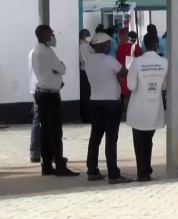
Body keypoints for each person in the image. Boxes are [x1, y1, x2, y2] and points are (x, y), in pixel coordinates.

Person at [83, 33, 132, 184]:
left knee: (95, 136)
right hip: (111, 102)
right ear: (102, 45)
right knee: (111, 139)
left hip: (95, 102)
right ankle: (113, 174)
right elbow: (123, 73)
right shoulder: (109, 60)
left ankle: (92, 171)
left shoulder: (88, 60)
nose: (110, 46)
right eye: (108, 44)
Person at [30, 25, 78, 176]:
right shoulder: (46, 51)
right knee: (55, 131)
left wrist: (55, 71)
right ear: (44, 36)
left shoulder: (36, 50)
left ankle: (47, 165)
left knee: (45, 131)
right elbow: (62, 69)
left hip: (42, 93)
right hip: (50, 96)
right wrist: (58, 68)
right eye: (51, 34)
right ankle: (59, 164)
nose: (53, 37)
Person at [127, 33, 168, 182]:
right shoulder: (164, 62)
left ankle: (142, 172)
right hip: (155, 108)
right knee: (148, 140)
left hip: (138, 108)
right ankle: (147, 169)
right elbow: (164, 86)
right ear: (157, 45)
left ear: (144, 45)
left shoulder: (136, 62)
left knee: (139, 141)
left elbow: (131, 86)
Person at [116, 28, 143, 111]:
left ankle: (127, 112)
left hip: (123, 74)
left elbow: (117, 60)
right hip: (133, 73)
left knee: (126, 96)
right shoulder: (136, 47)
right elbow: (140, 60)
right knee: (133, 95)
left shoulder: (120, 46)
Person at [79, 29, 93, 124]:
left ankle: (88, 115)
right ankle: (87, 116)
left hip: (87, 71)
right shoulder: (83, 47)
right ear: (83, 36)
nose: (89, 36)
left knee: (87, 94)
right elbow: (87, 61)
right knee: (86, 94)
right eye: (87, 34)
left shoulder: (86, 45)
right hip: (86, 72)